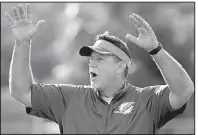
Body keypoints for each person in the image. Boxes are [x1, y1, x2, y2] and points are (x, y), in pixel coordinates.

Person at [6, 3, 194, 134]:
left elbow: (184, 90)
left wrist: (155, 50)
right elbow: (21, 91)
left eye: (100, 59)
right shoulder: (68, 98)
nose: (91, 63)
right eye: (91, 59)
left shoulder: (146, 100)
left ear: (121, 66)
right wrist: (22, 44)